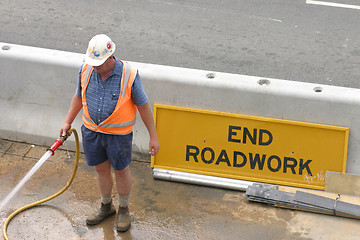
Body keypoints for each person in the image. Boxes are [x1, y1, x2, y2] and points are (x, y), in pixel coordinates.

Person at [60, 34, 160, 232]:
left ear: (110, 57)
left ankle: (124, 209)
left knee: (121, 170)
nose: (94, 66)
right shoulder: (86, 69)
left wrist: (153, 136)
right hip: (92, 132)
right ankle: (106, 206)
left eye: (98, 62)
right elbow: (78, 97)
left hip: (118, 136)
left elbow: (143, 106)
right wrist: (67, 121)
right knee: (100, 169)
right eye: (92, 62)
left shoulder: (128, 75)